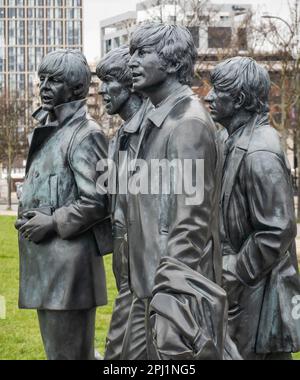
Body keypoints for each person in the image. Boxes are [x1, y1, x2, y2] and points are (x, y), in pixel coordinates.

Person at [120, 23, 223, 359]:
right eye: (131, 52)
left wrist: (170, 301)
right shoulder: (159, 117)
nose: (131, 62)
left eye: (142, 53)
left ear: (174, 63)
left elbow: (190, 222)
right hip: (146, 286)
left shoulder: (187, 123)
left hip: (170, 294)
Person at [15, 49, 111, 360]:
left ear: (77, 88)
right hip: (47, 266)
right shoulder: (47, 130)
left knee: (69, 356)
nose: (44, 86)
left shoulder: (87, 134)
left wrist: (53, 221)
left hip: (70, 271)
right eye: (42, 79)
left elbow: (99, 198)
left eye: (54, 81)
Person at [205, 56, 300, 360]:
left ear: (240, 99)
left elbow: (277, 229)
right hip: (239, 293)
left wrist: (234, 271)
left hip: (259, 297)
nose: (208, 96)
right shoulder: (228, 139)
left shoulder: (260, 151)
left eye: (217, 90)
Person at [96, 45, 151, 359]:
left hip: (147, 270)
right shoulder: (119, 137)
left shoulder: (152, 131)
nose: (102, 90)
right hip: (125, 267)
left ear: (130, 84)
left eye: (109, 82)